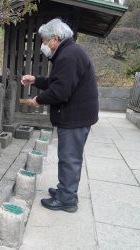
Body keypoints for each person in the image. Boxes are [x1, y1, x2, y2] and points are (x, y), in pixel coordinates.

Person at [21, 18, 99, 213]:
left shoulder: (68, 56)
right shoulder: (69, 52)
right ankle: (66, 191)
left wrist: (37, 100)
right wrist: (36, 80)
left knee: (69, 158)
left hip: (75, 117)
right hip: (76, 115)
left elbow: (60, 91)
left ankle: (66, 200)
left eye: (45, 41)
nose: (44, 46)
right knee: (68, 156)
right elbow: (57, 82)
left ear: (55, 38)